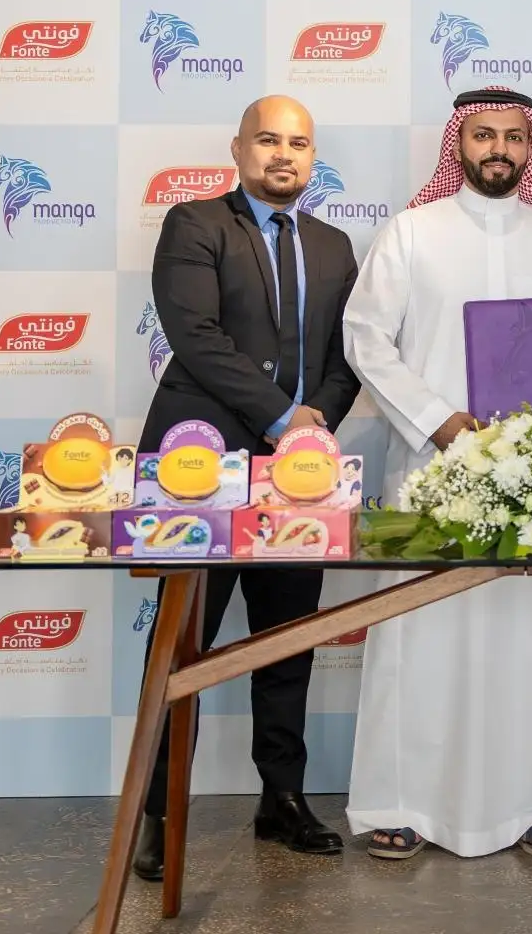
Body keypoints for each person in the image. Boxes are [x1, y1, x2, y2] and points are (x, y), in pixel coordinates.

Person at [342, 87, 532, 862]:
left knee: (530, 638)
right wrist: (437, 419)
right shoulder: (411, 233)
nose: (498, 149)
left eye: (513, 137)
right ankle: (401, 802)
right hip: (432, 465)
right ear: (457, 146)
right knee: (420, 634)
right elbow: (366, 338)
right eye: (483, 135)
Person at [133, 95, 363, 880]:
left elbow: (346, 358)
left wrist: (313, 424)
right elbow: (195, 337)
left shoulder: (333, 245)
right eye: (268, 140)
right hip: (198, 471)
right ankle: (156, 811)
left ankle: (283, 800)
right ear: (238, 149)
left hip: (301, 477)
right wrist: (283, 418)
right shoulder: (195, 225)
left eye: (299, 143)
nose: (283, 155)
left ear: (313, 156)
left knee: (287, 639)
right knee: (180, 645)